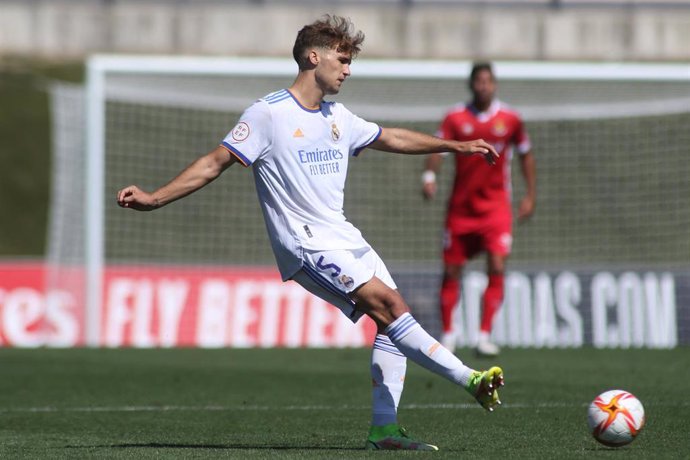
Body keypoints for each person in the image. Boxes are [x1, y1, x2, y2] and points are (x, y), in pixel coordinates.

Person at [117, 15, 504, 452]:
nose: (348, 69)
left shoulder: (337, 116)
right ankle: (470, 379)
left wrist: (455, 146)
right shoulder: (268, 114)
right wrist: (154, 198)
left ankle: (385, 428)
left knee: (388, 325)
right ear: (312, 56)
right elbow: (215, 162)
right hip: (305, 245)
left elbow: (391, 137)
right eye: (342, 58)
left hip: (344, 237)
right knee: (390, 305)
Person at [422, 62, 536, 357]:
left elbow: (526, 155)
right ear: (471, 84)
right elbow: (438, 147)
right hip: (461, 210)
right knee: (452, 270)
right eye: (479, 81)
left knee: (497, 266)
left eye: (488, 81)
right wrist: (429, 176)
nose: (484, 85)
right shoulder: (456, 118)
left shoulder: (511, 119)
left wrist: (530, 195)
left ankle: (484, 335)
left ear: (494, 84)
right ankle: (448, 334)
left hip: (496, 209)